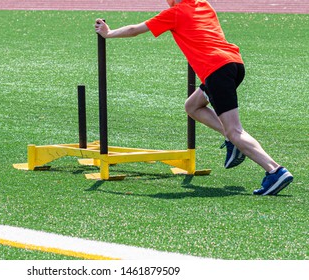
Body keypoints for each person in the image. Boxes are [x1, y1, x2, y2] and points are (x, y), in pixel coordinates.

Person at [94, 0, 293, 195]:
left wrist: (109, 33)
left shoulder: (174, 13)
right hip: (234, 65)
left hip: (216, 70)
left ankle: (274, 170)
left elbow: (135, 29)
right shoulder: (204, 4)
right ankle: (235, 143)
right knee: (193, 106)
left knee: (235, 131)